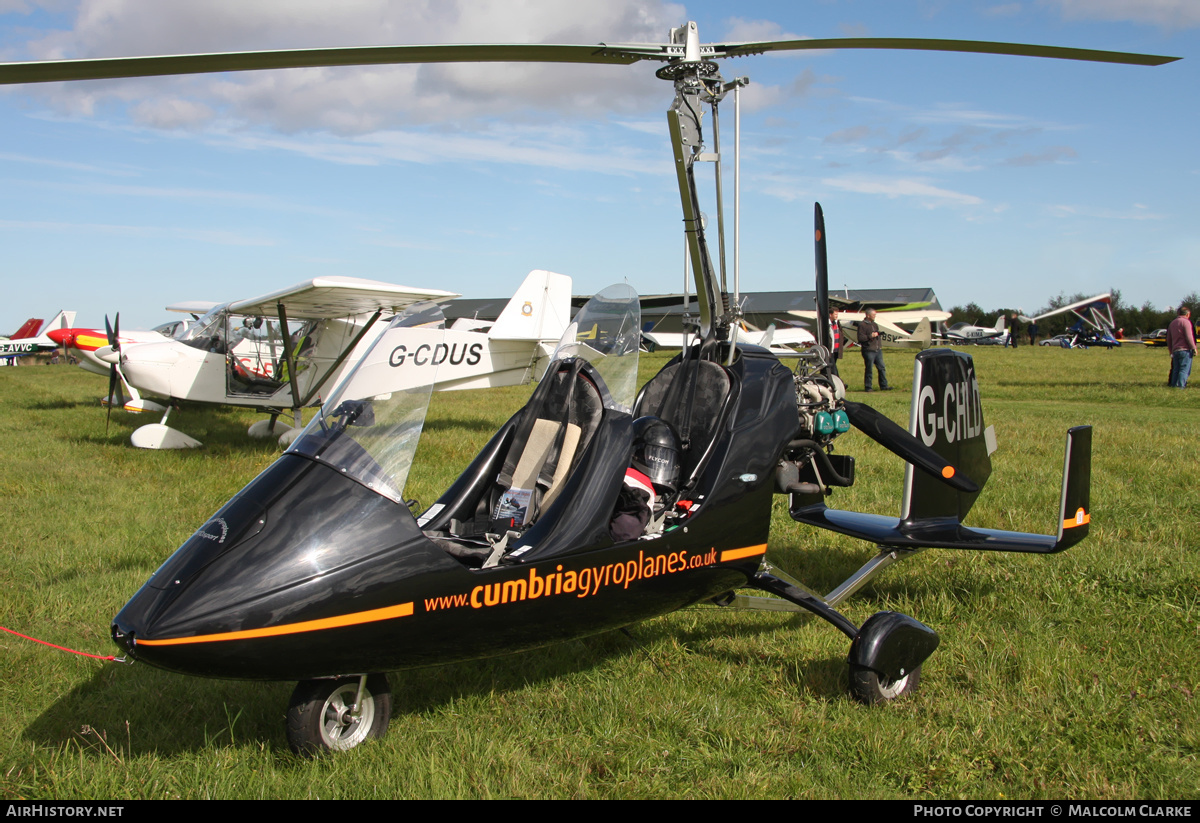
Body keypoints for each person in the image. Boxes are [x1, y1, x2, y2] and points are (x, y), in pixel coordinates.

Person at [857, 308, 890, 392]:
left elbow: (877, 336)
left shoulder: (874, 324)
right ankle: (868, 387)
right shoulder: (862, 325)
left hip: (877, 350)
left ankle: (884, 385)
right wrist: (870, 336)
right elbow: (860, 338)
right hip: (868, 350)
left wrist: (879, 345)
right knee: (869, 369)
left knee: (882, 368)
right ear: (868, 315)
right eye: (873, 315)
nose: (875, 316)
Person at [1167, 305, 1196, 388]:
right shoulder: (1186, 322)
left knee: (1176, 369)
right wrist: (1193, 348)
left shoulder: (1172, 323)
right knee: (1184, 370)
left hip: (1175, 350)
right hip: (1185, 350)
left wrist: (1170, 350)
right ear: (1187, 314)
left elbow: (1169, 338)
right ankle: (1180, 386)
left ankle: (1173, 385)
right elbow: (1189, 337)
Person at [828, 307, 843, 377]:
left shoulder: (837, 323)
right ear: (830, 315)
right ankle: (839, 381)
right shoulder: (827, 324)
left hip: (836, 349)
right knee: (833, 367)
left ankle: (831, 380)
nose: (837, 316)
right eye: (835, 314)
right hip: (830, 350)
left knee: (832, 366)